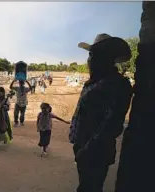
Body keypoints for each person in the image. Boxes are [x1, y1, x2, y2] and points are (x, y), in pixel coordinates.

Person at [69, 33, 133, 192]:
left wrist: (87, 150)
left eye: (92, 55)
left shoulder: (118, 84)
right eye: (89, 55)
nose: (89, 60)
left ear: (104, 58)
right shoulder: (94, 81)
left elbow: (111, 125)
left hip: (95, 153)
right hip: (83, 147)